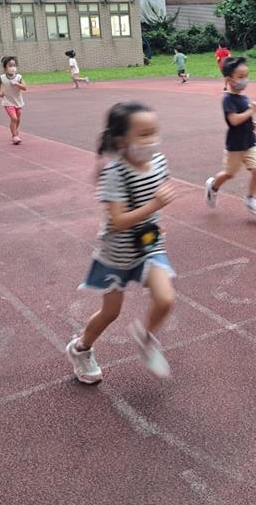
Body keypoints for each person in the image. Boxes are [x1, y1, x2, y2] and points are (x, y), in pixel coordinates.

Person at [66, 102, 179, 382]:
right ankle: (81, 348)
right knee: (110, 312)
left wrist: (157, 222)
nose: (151, 140)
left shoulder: (159, 162)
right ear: (120, 140)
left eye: (154, 132)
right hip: (116, 254)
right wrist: (155, 205)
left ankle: (146, 337)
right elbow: (117, 221)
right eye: (143, 134)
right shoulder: (114, 173)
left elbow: (153, 199)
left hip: (148, 246)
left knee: (166, 298)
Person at [205, 56, 256, 217]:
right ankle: (213, 186)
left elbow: (243, 117)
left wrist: (251, 123)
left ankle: (251, 199)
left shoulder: (244, 98)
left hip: (250, 142)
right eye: (240, 77)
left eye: (246, 76)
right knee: (229, 174)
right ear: (229, 80)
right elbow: (233, 120)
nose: (244, 80)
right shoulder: (228, 100)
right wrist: (251, 111)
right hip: (235, 145)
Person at [0, 55, 28, 145]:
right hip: (8, 102)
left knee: (17, 119)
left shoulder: (19, 77)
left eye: (14, 65)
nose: (12, 68)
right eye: (10, 66)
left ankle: (15, 130)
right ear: (5, 68)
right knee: (14, 118)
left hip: (18, 101)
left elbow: (25, 87)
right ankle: (14, 136)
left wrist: (17, 84)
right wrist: (0, 92)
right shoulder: (2, 77)